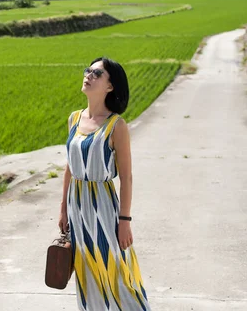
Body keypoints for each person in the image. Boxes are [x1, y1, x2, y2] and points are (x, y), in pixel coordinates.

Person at [58, 57, 151, 311]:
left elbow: (127, 178)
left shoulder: (116, 126)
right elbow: (70, 167)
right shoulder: (74, 119)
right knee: (87, 274)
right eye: (88, 70)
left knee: (119, 273)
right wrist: (63, 209)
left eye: (97, 73)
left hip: (104, 210)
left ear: (110, 86)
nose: (88, 75)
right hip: (77, 210)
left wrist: (125, 221)